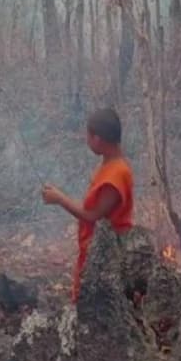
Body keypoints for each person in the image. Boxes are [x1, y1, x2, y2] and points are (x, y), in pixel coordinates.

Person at [41, 108, 134, 304]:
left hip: (106, 257)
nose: (87, 140)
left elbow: (94, 216)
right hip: (93, 251)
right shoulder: (108, 165)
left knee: (95, 308)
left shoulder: (117, 174)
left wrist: (60, 199)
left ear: (98, 139)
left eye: (88, 135)